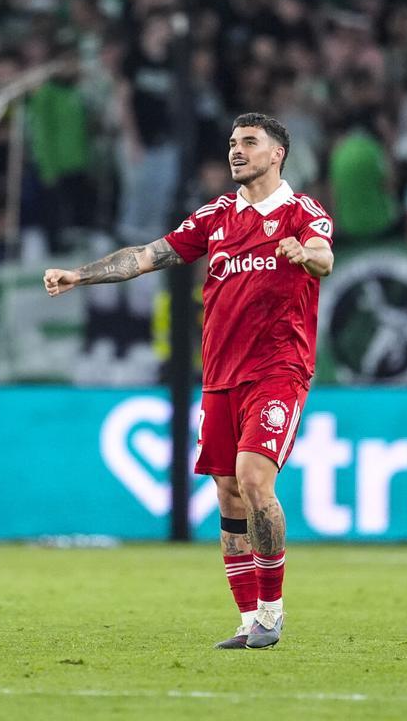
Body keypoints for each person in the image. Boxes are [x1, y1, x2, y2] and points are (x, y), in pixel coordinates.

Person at [44, 113, 334, 650]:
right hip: (220, 375)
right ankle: (248, 620)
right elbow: (146, 257)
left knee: (253, 479)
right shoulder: (215, 216)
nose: (236, 151)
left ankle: (272, 611)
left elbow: (324, 254)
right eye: (231, 143)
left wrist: (305, 254)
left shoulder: (302, 212)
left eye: (249, 142)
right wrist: (79, 274)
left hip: (278, 368)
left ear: (278, 155)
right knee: (227, 492)